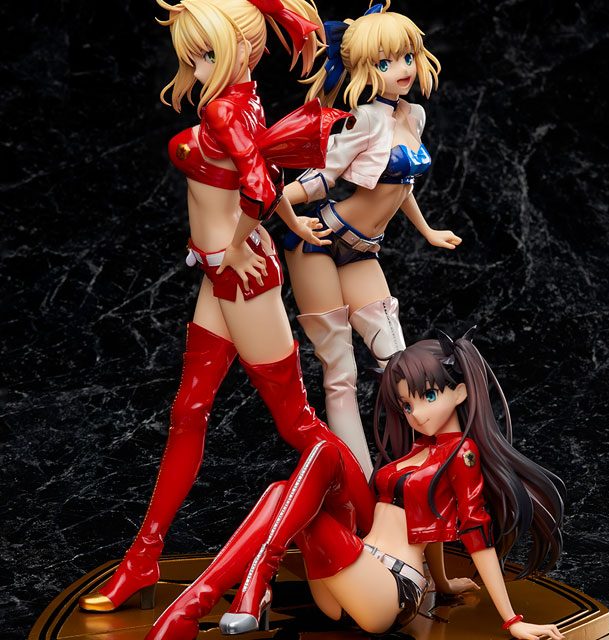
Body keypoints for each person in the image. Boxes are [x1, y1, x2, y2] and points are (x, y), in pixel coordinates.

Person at [79, 0, 353, 613]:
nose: (197, 68)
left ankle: (363, 521)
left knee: (297, 424)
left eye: (207, 55)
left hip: (240, 278)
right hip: (220, 276)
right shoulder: (244, 98)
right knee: (189, 411)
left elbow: (254, 187)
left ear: (244, 51)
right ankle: (141, 561)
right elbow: (263, 175)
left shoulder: (225, 108)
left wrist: (232, 248)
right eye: (193, 56)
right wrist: (282, 228)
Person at [143, 331, 566, 640]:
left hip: (388, 593)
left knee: (289, 487)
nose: (416, 413)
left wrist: (512, 620)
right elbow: (429, 525)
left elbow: (475, 531)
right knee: (293, 481)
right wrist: (442, 582)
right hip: (349, 576)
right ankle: (229, 593)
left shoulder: (463, 454)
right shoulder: (416, 452)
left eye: (427, 397)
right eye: (406, 404)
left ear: (459, 393)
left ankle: (220, 598)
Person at [281, 1, 462, 478]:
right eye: (384, 63)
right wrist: (277, 201)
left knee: (398, 363)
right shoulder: (362, 119)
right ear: (364, 69)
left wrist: (427, 230)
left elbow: (401, 188)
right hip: (319, 241)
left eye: (407, 57)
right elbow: (322, 177)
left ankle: (410, 470)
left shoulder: (413, 116)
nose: (402, 69)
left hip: (363, 249)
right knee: (341, 371)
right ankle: (356, 481)